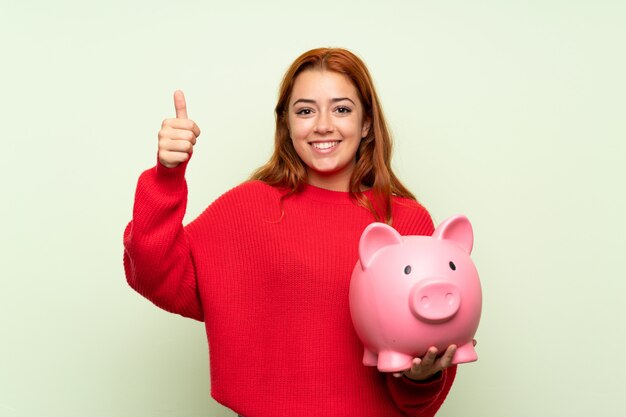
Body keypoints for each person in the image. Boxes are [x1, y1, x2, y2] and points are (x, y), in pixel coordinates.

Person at [123, 47, 458, 417]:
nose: (323, 125)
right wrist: (167, 175)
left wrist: (421, 378)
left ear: (366, 123)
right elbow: (155, 273)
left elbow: (421, 393)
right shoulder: (247, 208)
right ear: (287, 124)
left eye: (342, 109)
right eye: (305, 110)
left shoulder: (407, 223)